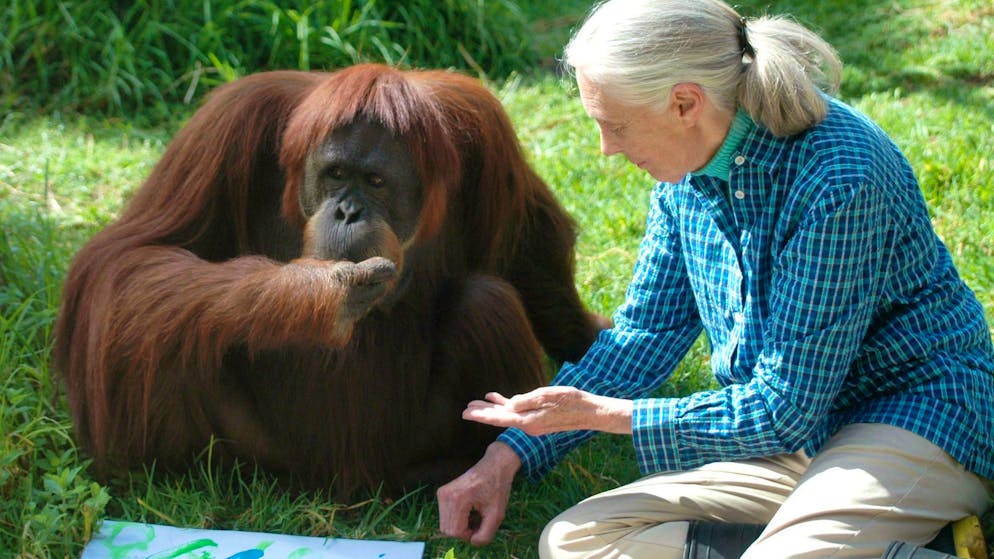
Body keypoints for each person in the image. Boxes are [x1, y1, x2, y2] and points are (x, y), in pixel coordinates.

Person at [435, 0, 994, 557]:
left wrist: (601, 414)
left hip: (914, 414)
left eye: (615, 124)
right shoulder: (684, 177)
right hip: (798, 440)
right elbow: (644, 338)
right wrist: (505, 457)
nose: (606, 148)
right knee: (574, 540)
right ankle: (899, 543)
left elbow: (783, 409)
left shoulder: (840, 178)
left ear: (684, 103)